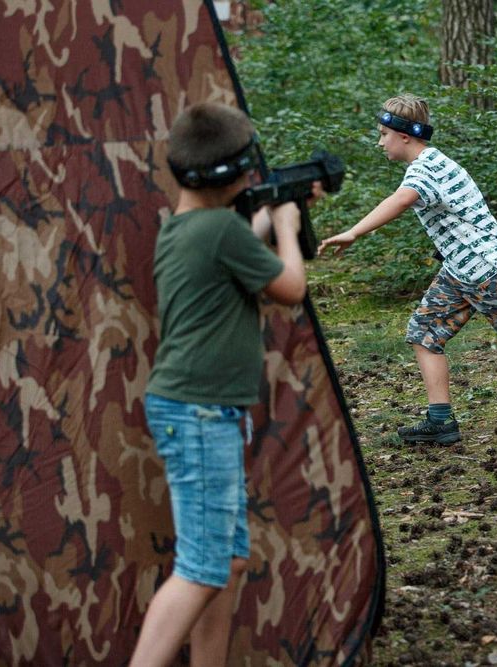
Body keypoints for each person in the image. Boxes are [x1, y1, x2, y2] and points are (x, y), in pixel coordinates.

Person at [317, 93, 497, 447]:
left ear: (404, 135)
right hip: (461, 271)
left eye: (383, 134)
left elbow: (402, 199)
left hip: (490, 269)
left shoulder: (427, 167)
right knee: (424, 333)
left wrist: (354, 232)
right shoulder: (429, 165)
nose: (380, 142)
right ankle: (440, 422)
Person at [130, 102, 306, 667]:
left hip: (201, 412)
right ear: (237, 173)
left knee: (224, 564)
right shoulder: (220, 231)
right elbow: (290, 288)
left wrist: (263, 217)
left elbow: (232, 249)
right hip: (199, 412)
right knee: (202, 568)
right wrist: (286, 226)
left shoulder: (189, 227)